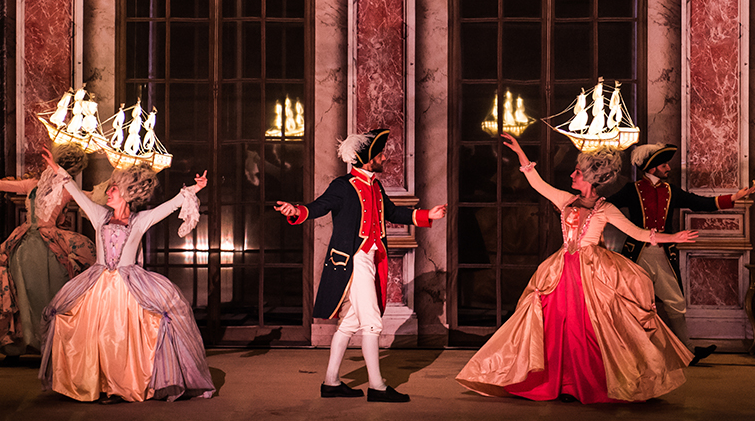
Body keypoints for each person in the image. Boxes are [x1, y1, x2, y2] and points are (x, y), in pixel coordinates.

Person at [456, 133, 696, 404]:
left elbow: (639, 233)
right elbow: (537, 183)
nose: (572, 174)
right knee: (556, 327)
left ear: (592, 178)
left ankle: (584, 383)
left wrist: (673, 237)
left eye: (578, 172)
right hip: (561, 271)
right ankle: (561, 382)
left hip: (590, 274)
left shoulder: (605, 209)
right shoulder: (566, 200)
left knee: (586, 330)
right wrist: (521, 153)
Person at [276, 129, 445, 403]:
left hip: (370, 258)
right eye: (380, 154)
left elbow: (392, 212)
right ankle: (377, 387)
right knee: (372, 323)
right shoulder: (342, 186)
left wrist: (427, 214)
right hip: (354, 260)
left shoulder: (375, 185)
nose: (384, 158)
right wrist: (297, 210)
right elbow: (319, 206)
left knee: (349, 323)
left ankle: (331, 383)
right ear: (367, 158)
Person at [38, 155, 213, 403]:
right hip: (98, 283)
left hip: (129, 285)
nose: (108, 192)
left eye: (113, 189)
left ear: (127, 193)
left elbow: (172, 205)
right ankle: (97, 382)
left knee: (119, 337)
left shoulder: (139, 221)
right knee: (93, 334)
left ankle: (119, 386)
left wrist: (196, 187)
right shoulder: (100, 216)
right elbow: (76, 193)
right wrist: (58, 170)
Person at [607, 142, 753, 365]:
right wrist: (577, 205)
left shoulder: (670, 191)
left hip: (663, 253)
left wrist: (733, 198)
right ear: (652, 168)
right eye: (664, 165)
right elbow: (606, 206)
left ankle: (687, 351)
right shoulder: (632, 189)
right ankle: (624, 352)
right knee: (631, 302)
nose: (668, 168)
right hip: (637, 254)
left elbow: (699, 202)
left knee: (675, 301)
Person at [0, 142, 97, 361]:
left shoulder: (37, 186)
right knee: (43, 293)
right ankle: (44, 345)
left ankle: (28, 345)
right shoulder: (59, 188)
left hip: (28, 246)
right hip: (42, 246)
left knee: (27, 293)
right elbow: (93, 198)